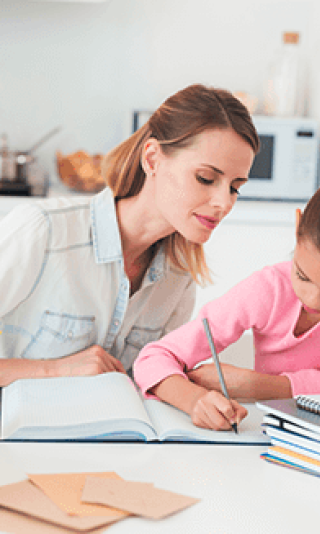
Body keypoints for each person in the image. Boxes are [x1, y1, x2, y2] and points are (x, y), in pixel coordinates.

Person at [0, 84, 258, 387]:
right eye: (206, 178)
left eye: (235, 187)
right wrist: (57, 370)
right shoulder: (43, 231)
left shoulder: (180, 275)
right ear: (152, 160)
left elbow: (152, 380)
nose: (224, 203)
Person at [133, 165, 320, 432]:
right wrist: (194, 400)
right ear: (297, 229)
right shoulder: (268, 289)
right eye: (303, 275)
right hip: (284, 433)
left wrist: (252, 385)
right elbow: (153, 358)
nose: (314, 299)